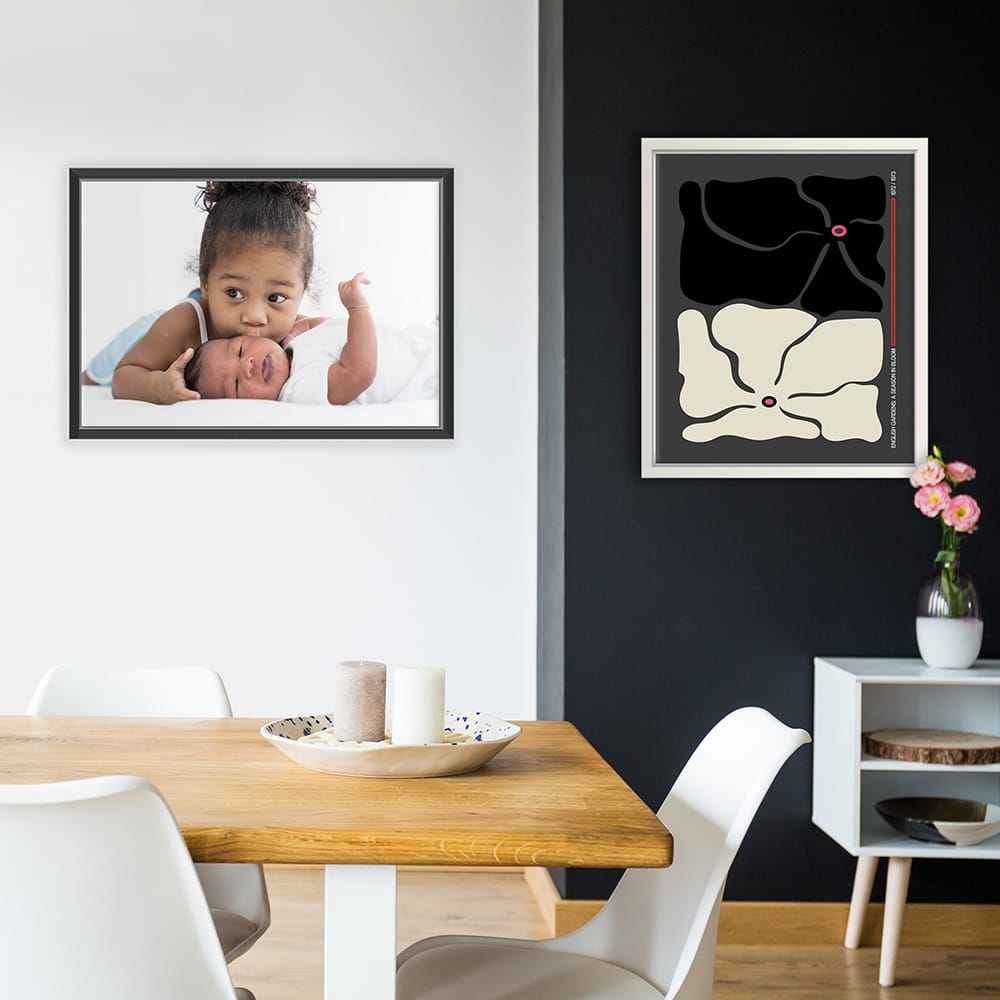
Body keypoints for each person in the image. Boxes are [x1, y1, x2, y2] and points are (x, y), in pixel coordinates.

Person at [95, 180, 321, 404]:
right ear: (205, 281)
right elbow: (124, 376)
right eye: (234, 293)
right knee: (91, 379)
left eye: (275, 298)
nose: (254, 316)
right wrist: (159, 386)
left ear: (302, 291)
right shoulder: (183, 324)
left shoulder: (300, 334)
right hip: (151, 333)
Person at [184, 273, 438, 406]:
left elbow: (323, 326)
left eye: (239, 350)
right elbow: (358, 373)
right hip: (432, 370)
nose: (247, 365)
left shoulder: (292, 346)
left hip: (425, 334)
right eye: (237, 385)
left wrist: (297, 330)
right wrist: (358, 310)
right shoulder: (298, 391)